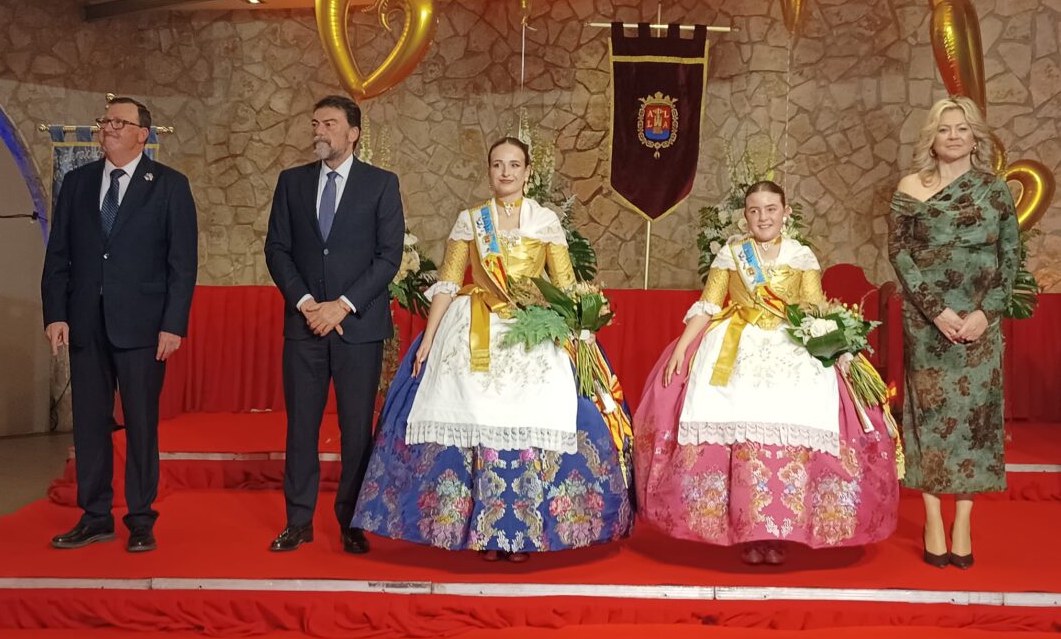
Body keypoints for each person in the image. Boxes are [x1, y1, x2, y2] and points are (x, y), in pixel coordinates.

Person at [352, 137, 632, 561]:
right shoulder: (471, 221)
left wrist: (581, 332)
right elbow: (448, 283)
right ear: (488, 170)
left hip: (532, 328)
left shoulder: (545, 221)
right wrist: (429, 339)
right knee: (474, 412)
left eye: (514, 165)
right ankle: (480, 529)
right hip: (475, 323)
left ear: (527, 172)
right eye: (498, 164)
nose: (506, 172)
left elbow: (565, 285)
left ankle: (524, 531)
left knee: (538, 410)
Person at [634, 181, 899, 565]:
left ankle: (783, 532)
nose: (763, 217)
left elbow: (814, 308)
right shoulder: (732, 253)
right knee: (725, 405)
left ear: (785, 213)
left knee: (805, 401)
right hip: (736, 340)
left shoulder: (801, 255)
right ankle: (744, 531)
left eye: (771, 209)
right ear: (745, 215)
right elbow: (709, 305)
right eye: (755, 210)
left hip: (790, 340)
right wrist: (681, 348)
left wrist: (838, 347)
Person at [41, 97, 197, 553]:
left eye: (119, 122)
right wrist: (56, 313)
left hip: (144, 328)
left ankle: (141, 519)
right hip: (86, 323)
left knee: (141, 425)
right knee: (90, 425)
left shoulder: (169, 185)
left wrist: (173, 324)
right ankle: (95, 517)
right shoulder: (77, 182)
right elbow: (58, 254)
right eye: (105, 121)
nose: (108, 127)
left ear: (142, 134)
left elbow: (182, 263)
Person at [265, 95, 404, 554]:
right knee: (301, 427)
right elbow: (276, 249)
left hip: (357, 329)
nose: (319, 131)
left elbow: (388, 257)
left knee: (356, 428)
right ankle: (298, 521)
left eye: (329, 123)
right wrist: (307, 304)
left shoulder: (381, 184)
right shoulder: (291, 182)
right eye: (315, 123)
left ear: (353, 133)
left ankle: (352, 521)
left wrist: (341, 306)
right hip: (303, 325)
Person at [888, 96, 1018, 569]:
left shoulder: (995, 190)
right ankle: (931, 518)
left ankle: (963, 519)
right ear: (932, 139)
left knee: (975, 420)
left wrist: (987, 312)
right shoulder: (910, 187)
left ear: (975, 137)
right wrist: (936, 311)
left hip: (981, 322)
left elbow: (1010, 257)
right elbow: (899, 253)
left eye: (962, 129)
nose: (954, 136)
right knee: (929, 417)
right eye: (945, 129)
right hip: (928, 323)